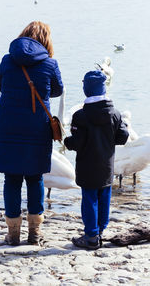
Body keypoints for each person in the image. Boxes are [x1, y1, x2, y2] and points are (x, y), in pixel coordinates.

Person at [0, 21, 63, 245]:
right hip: (37, 127)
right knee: (35, 177)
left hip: (7, 125)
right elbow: (58, 90)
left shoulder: (7, 60)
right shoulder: (50, 64)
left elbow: (1, 85)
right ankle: (35, 233)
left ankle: (12, 235)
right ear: (46, 40)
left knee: (11, 177)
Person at [64, 70, 129, 250]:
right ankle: (100, 231)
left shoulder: (80, 116)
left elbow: (77, 143)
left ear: (86, 89)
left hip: (87, 166)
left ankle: (91, 237)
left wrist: (67, 142)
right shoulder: (115, 113)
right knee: (104, 198)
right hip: (106, 165)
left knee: (90, 199)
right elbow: (123, 137)